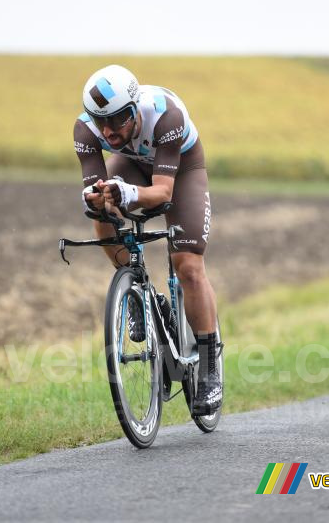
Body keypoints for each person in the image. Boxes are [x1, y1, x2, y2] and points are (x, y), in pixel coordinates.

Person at [73, 64, 222, 415]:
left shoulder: (165, 116)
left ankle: (210, 370)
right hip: (132, 163)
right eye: (101, 121)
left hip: (180, 171)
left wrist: (128, 194)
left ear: (135, 109)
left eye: (118, 120)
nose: (107, 131)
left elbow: (163, 194)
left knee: (187, 265)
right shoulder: (86, 129)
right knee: (101, 216)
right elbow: (95, 191)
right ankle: (142, 295)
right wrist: (97, 198)